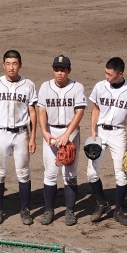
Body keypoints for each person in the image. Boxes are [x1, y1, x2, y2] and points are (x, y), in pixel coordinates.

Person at [0, 50, 38, 226]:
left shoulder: (28, 85)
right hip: (0, 133)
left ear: (20, 65)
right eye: (8, 64)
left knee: (23, 172)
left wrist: (33, 137)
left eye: (14, 63)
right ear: (3, 65)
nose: (11, 67)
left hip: (21, 134)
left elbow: (32, 112)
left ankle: (25, 210)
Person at [37, 54, 86, 226]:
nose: (59, 73)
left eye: (63, 70)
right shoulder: (45, 87)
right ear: (53, 70)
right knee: (50, 173)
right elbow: (41, 111)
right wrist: (44, 131)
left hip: (70, 131)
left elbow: (79, 112)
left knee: (70, 174)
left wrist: (67, 134)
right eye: (57, 69)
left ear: (69, 71)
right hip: (51, 131)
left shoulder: (77, 87)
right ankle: (49, 210)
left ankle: (70, 211)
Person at [86, 57, 127, 226]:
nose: (106, 77)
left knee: (121, 174)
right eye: (105, 73)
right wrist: (93, 130)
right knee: (91, 173)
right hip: (100, 132)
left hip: (118, 133)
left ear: (120, 74)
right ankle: (102, 203)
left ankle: (118, 210)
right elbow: (95, 108)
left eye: (109, 74)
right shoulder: (100, 86)